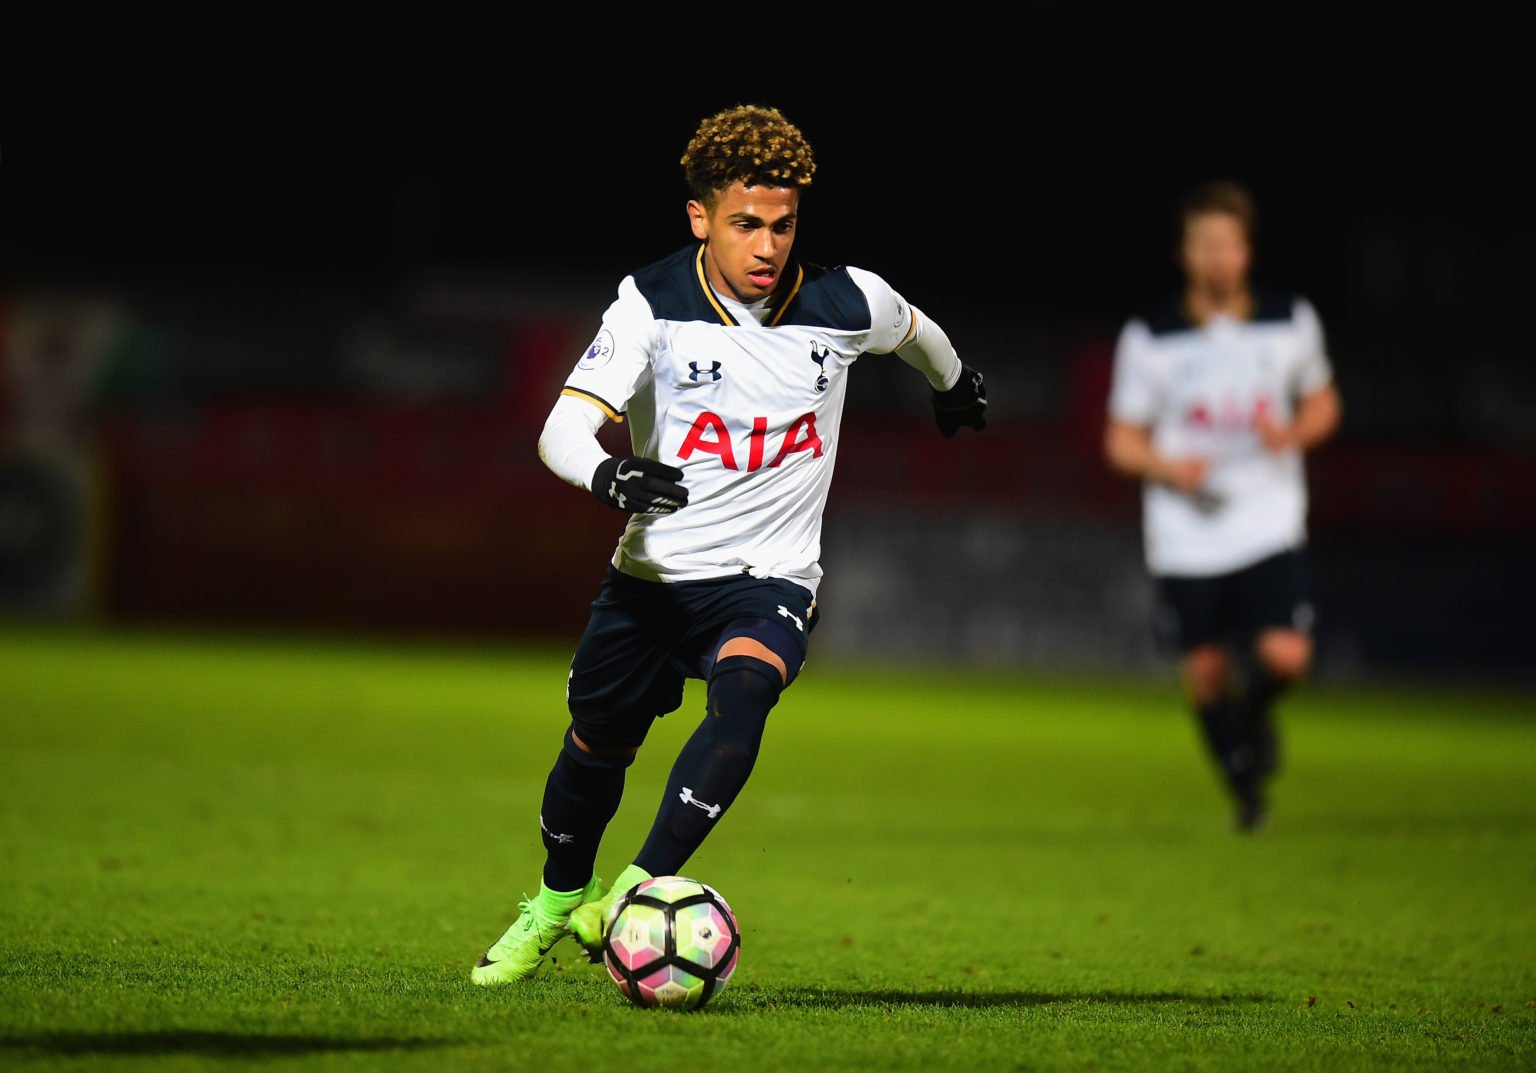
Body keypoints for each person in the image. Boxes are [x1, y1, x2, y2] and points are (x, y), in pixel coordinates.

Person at [471, 103, 988, 985]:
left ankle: (637, 886)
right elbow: (562, 428)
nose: (767, 245)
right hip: (653, 578)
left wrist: (954, 385)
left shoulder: (846, 300)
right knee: (594, 745)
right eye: (745, 223)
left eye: (783, 225)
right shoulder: (652, 303)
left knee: (746, 693)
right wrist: (609, 477)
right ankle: (560, 897)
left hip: (769, 577)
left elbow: (919, 332)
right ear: (699, 218)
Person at [1103, 179, 1341, 832]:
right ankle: (1246, 793)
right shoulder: (1151, 336)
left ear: (1247, 251)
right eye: (1204, 243)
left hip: (1268, 520)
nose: (1217, 257)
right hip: (1187, 531)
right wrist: (1166, 465)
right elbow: (1121, 441)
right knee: (1205, 669)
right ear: (1185, 252)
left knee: (1286, 656)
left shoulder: (1289, 320)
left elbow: (1324, 404)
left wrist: (1291, 434)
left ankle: (1255, 716)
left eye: (1228, 244)